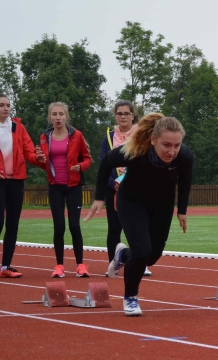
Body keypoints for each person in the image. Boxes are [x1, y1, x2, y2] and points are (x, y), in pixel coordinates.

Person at [85, 113, 193, 316]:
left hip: (162, 205)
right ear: (153, 140)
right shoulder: (134, 152)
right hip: (131, 202)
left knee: (151, 257)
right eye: (166, 145)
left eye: (176, 145)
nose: (172, 151)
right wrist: (99, 197)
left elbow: (185, 181)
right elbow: (106, 163)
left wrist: (182, 211)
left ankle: (123, 254)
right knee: (142, 251)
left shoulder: (185, 156)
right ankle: (131, 298)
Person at [36, 102, 92, 278]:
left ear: (66, 117)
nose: (58, 118)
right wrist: (39, 159)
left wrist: (80, 166)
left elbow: (88, 158)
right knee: (59, 227)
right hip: (55, 187)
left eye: (61, 114)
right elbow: (42, 162)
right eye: (54, 114)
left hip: (73, 187)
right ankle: (59, 266)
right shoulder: (45, 137)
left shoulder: (76, 135)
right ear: (50, 117)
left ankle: (80, 265)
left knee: (74, 226)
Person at [99, 101, 151, 277]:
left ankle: (140, 263)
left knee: (137, 227)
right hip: (113, 188)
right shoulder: (108, 136)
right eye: (119, 113)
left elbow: (147, 160)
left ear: (132, 115)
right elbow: (103, 163)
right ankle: (112, 264)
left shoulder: (141, 135)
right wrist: (112, 183)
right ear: (115, 115)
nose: (122, 116)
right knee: (114, 228)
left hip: (136, 188)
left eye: (126, 113)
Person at [0, 94, 46, 278]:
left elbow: (29, 152)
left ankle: (5, 266)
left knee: (13, 223)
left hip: (16, 180)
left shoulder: (18, 128)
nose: (5, 108)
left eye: (8, 105)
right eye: (1, 105)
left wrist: (38, 158)